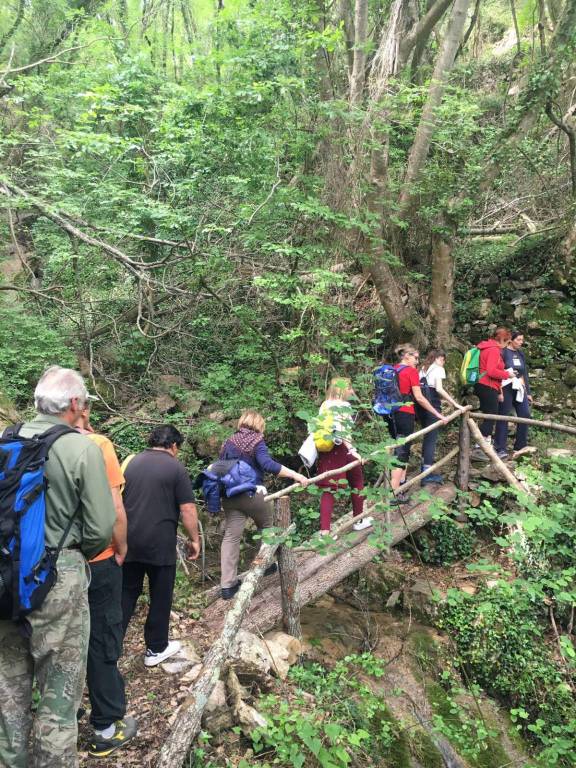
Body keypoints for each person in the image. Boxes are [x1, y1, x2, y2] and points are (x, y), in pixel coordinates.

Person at [0, 366, 115, 768]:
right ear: (72, 405)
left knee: (8, 692)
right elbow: (102, 527)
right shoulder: (81, 449)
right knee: (59, 692)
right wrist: (72, 552)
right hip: (58, 576)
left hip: (4, 576)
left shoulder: (5, 442)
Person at [76, 401, 137, 758]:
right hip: (94, 562)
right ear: (78, 407)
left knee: (55, 642)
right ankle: (105, 728)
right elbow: (115, 509)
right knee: (101, 640)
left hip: (38, 565)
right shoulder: (96, 445)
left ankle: (61, 714)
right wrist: (120, 548)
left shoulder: (22, 441)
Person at [121, 425, 200, 667]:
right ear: (174, 446)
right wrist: (194, 539)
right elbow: (187, 509)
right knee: (161, 595)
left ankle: (108, 650)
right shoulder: (175, 468)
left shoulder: (132, 462)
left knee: (125, 594)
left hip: (129, 540)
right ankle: (156, 648)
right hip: (160, 543)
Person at [219, 410, 308, 600]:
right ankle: (266, 565)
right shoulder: (256, 441)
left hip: (228, 494)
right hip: (251, 493)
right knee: (267, 526)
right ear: (259, 424)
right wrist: (296, 475)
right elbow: (268, 464)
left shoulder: (228, 441)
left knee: (231, 536)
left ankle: (227, 586)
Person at [384, 345, 446, 495]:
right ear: (406, 356)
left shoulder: (392, 370)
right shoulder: (410, 371)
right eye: (415, 358)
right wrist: (436, 413)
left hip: (389, 413)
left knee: (400, 448)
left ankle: (402, 483)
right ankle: (394, 492)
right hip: (405, 413)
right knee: (402, 451)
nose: (417, 361)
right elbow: (419, 397)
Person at [315, 377, 370, 534]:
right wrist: (353, 451)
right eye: (349, 388)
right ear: (342, 389)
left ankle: (325, 530)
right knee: (357, 481)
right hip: (341, 448)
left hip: (327, 449)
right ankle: (358, 520)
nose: (351, 391)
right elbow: (344, 433)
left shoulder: (324, 405)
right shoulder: (344, 406)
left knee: (329, 488)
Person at [418, 350, 462, 485]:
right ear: (438, 358)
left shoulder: (423, 369)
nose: (444, 363)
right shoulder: (438, 369)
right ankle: (426, 474)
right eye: (443, 360)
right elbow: (439, 389)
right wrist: (455, 404)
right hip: (432, 405)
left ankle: (424, 468)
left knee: (427, 436)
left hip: (421, 406)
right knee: (431, 438)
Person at [473, 328, 516, 459]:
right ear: (502, 340)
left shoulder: (486, 348)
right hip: (487, 385)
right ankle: (479, 446)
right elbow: (491, 371)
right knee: (491, 416)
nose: (507, 345)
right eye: (507, 341)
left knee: (491, 415)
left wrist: (499, 390)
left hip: (487, 385)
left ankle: (483, 445)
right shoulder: (493, 350)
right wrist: (507, 374)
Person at [493, 330, 533, 459]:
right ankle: (500, 447)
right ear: (511, 340)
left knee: (525, 414)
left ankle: (520, 445)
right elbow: (497, 371)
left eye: (522, 340)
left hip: (519, 386)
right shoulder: (503, 352)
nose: (521, 343)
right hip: (506, 386)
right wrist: (499, 390)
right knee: (503, 415)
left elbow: (524, 373)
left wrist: (528, 392)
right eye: (518, 340)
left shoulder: (520, 353)